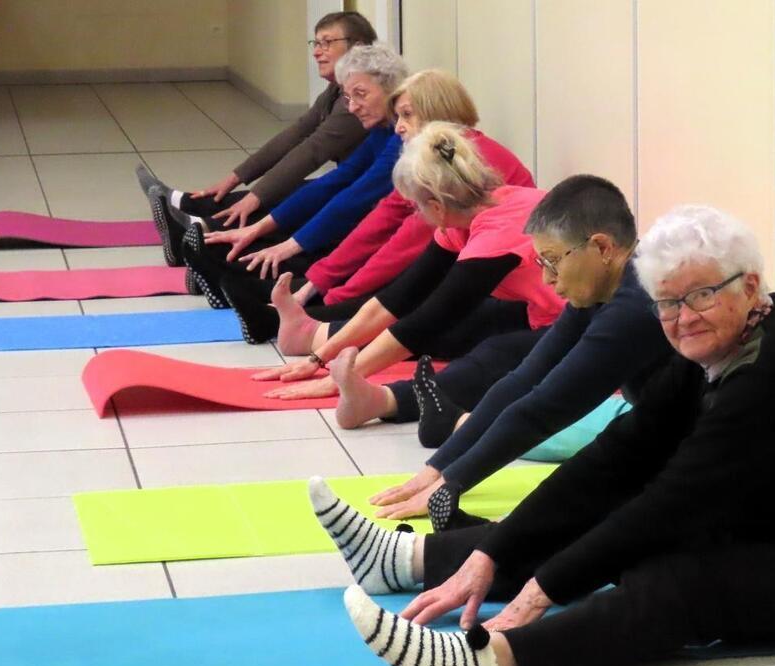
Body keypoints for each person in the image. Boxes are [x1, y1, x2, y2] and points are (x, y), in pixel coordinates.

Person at [305, 204, 775, 666]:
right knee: (601, 513)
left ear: (751, 287)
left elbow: (674, 503)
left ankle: (479, 662)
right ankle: (410, 558)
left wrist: (546, 588)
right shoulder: (721, 345)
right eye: (666, 302)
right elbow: (617, 458)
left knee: (676, 576)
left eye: (699, 296)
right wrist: (494, 553)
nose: (681, 317)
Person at [325, 176, 673, 531]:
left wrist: (453, 482)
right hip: (664, 435)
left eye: (552, 261)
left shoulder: (636, 305)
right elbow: (522, 381)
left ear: (602, 248)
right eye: (541, 264)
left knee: (571, 504)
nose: (548, 280)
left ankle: (415, 558)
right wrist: (437, 468)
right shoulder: (602, 286)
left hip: (699, 452)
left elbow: (545, 408)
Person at [251, 122, 565, 400]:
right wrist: (317, 360)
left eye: (415, 206)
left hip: (583, 322)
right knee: (449, 329)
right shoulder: (464, 218)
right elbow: (397, 300)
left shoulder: (499, 229)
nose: (416, 213)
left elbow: (429, 319)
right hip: (538, 313)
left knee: (489, 356)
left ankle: (389, 401)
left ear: (437, 205)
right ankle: (309, 335)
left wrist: (342, 379)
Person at [218, 69, 535, 344]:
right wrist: (322, 282)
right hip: (476, 269)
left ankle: (298, 320)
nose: (398, 127)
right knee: (393, 280)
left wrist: (331, 294)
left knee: (410, 294)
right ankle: (296, 313)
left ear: (437, 112)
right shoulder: (432, 156)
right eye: (398, 116)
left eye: (407, 115)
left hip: (507, 290)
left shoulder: (456, 162)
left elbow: (403, 244)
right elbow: (383, 218)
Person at [180, 43, 408, 309]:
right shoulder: (383, 129)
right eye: (348, 98)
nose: (354, 107)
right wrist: (258, 228)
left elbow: (354, 198)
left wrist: (289, 245)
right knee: (282, 230)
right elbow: (336, 181)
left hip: (387, 242)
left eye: (361, 95)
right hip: (368, 225)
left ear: (393, 90)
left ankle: (231, 276)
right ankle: (223, 266)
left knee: (307, 248)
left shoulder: (402, 138)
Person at [138, 11, 375, 265]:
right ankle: (190, 212)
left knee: (300, 197)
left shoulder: (359, 99)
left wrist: (256, 196)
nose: (317, 52)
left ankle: (200, 228)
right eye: (315, 44)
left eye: (327, 43)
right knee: (298, 191)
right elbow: (297, 132)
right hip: (351, 185)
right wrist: (235, 177)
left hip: (364, 202)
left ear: (358, 48)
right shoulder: (338, 90)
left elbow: (312, 151)